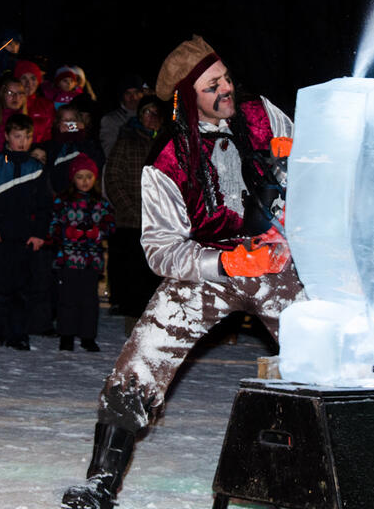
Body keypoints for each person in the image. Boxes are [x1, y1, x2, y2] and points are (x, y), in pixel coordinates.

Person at [61, 36, 300, 509]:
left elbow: (313, 171)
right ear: (189, 99)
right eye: (213, 86)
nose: (227, 89)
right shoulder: (166, 159)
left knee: (324, 345)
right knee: (142, 356)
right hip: (206, 269)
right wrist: (225, 262)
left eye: (227, 77)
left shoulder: (260, 113)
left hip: (275, 262)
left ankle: (342, 460)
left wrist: (295, 161)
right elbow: (161, 250)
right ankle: (101, 480)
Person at [0, 113, 51, 350]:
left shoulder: (36, 168)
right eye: (17, 136)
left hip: (24, 238)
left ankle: (18, 333)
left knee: (22, 288)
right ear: (7, 136)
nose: (23, 142)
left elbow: (45, 205)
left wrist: (39, 233)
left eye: (27, 137)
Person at [102, 95, 164, 321]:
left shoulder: (166, 143)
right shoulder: (126, 140)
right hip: (130, 218)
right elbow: (113, 177)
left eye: (156, 112)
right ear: (139, 116)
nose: (152, 117)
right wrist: (129, 208)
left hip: (159, 220)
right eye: (147, 112)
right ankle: (129, 311)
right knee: (130, 269)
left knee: (154, 271)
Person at [49, 154, 115, 352]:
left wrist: (98, 231)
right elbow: (53, 225)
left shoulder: (100, 203)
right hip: (68, 258)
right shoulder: (63, 200)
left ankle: (87, 336)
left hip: (91, 260)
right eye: (80, 176)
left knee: (89, 301)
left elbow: (111, 226)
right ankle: (66, 335)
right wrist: (66, 232)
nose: (85, 181)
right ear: (73, 178)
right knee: (67, 298)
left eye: (88, 176)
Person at [98, 74, 148, 157]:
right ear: (122, 96)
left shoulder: (151, 117)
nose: (133, 97)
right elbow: (110, 152)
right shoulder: (111, 120)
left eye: (137, 92)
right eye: (128, 93)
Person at [14, 59, 54, 143]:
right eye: (24, 78)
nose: (28, 83)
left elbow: (50, 135)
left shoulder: (46, 105)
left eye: (33, 78)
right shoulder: (11, 103)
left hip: (39, 152)